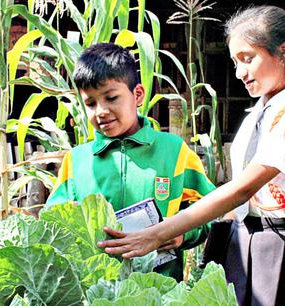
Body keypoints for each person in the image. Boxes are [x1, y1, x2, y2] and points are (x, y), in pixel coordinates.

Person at [98, 5, 285, 306]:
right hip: (242, 242)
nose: (240, 73)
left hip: (284, 251)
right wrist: (179, 235)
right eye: (235, 62)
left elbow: (242, 189)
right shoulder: (258, 113)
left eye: (248, 58)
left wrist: (159, 233)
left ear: (284, 52)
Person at [45, 43, 215, 281]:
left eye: (111, 97)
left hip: (160, 292)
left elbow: (210, 212)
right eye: (90, 103)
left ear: (137, 95)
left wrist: (182, 234)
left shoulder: (174, 151)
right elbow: (52, 222)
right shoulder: (76, 161)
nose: (101, 111)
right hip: (95, 294)